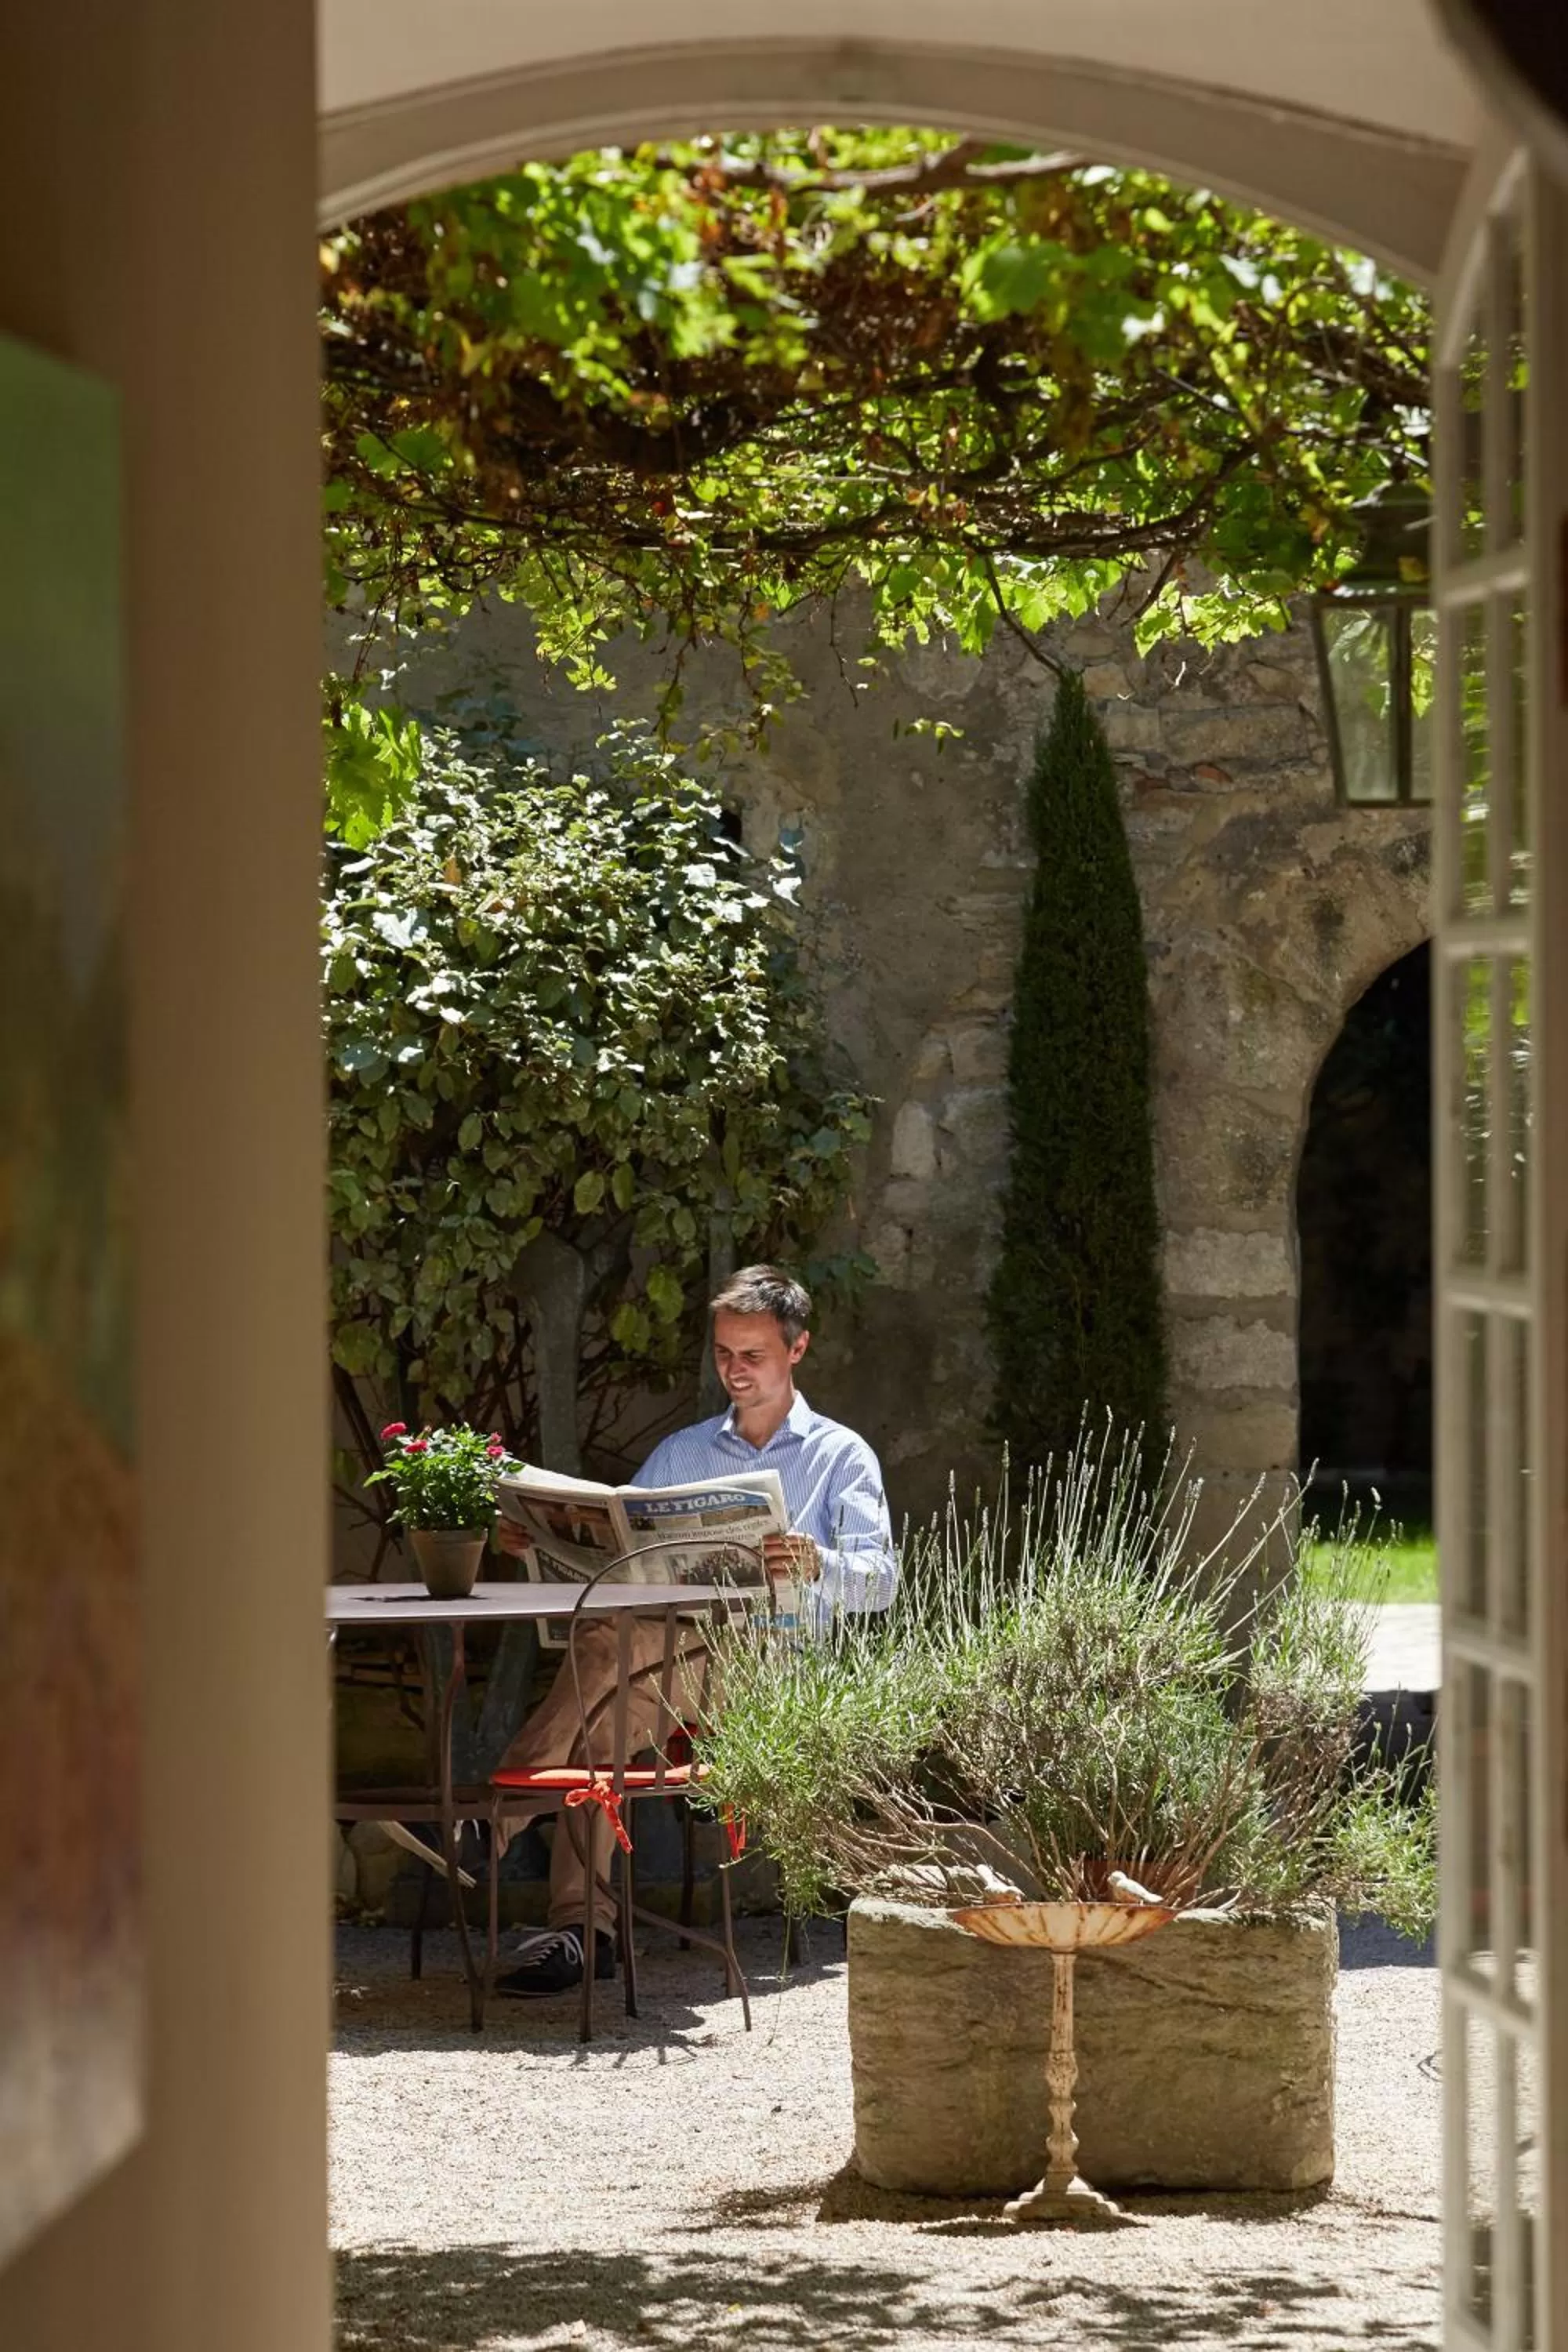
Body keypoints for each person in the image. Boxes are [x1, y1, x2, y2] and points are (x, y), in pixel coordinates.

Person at [491, 1263, 896, 1997]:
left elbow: (881, 1583)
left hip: (771, 1673)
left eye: (753, 1356)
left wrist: (818, 1560)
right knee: (606, 1716)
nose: (734, 1372)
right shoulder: (683, 1453)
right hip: (666, 1668)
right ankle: (585, 1932)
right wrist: (539, 1543)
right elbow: (621, 1553)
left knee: (611, 1655)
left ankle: (498, 1815)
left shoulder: (841, 1455)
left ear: (797, 1349)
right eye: (723, 1355)